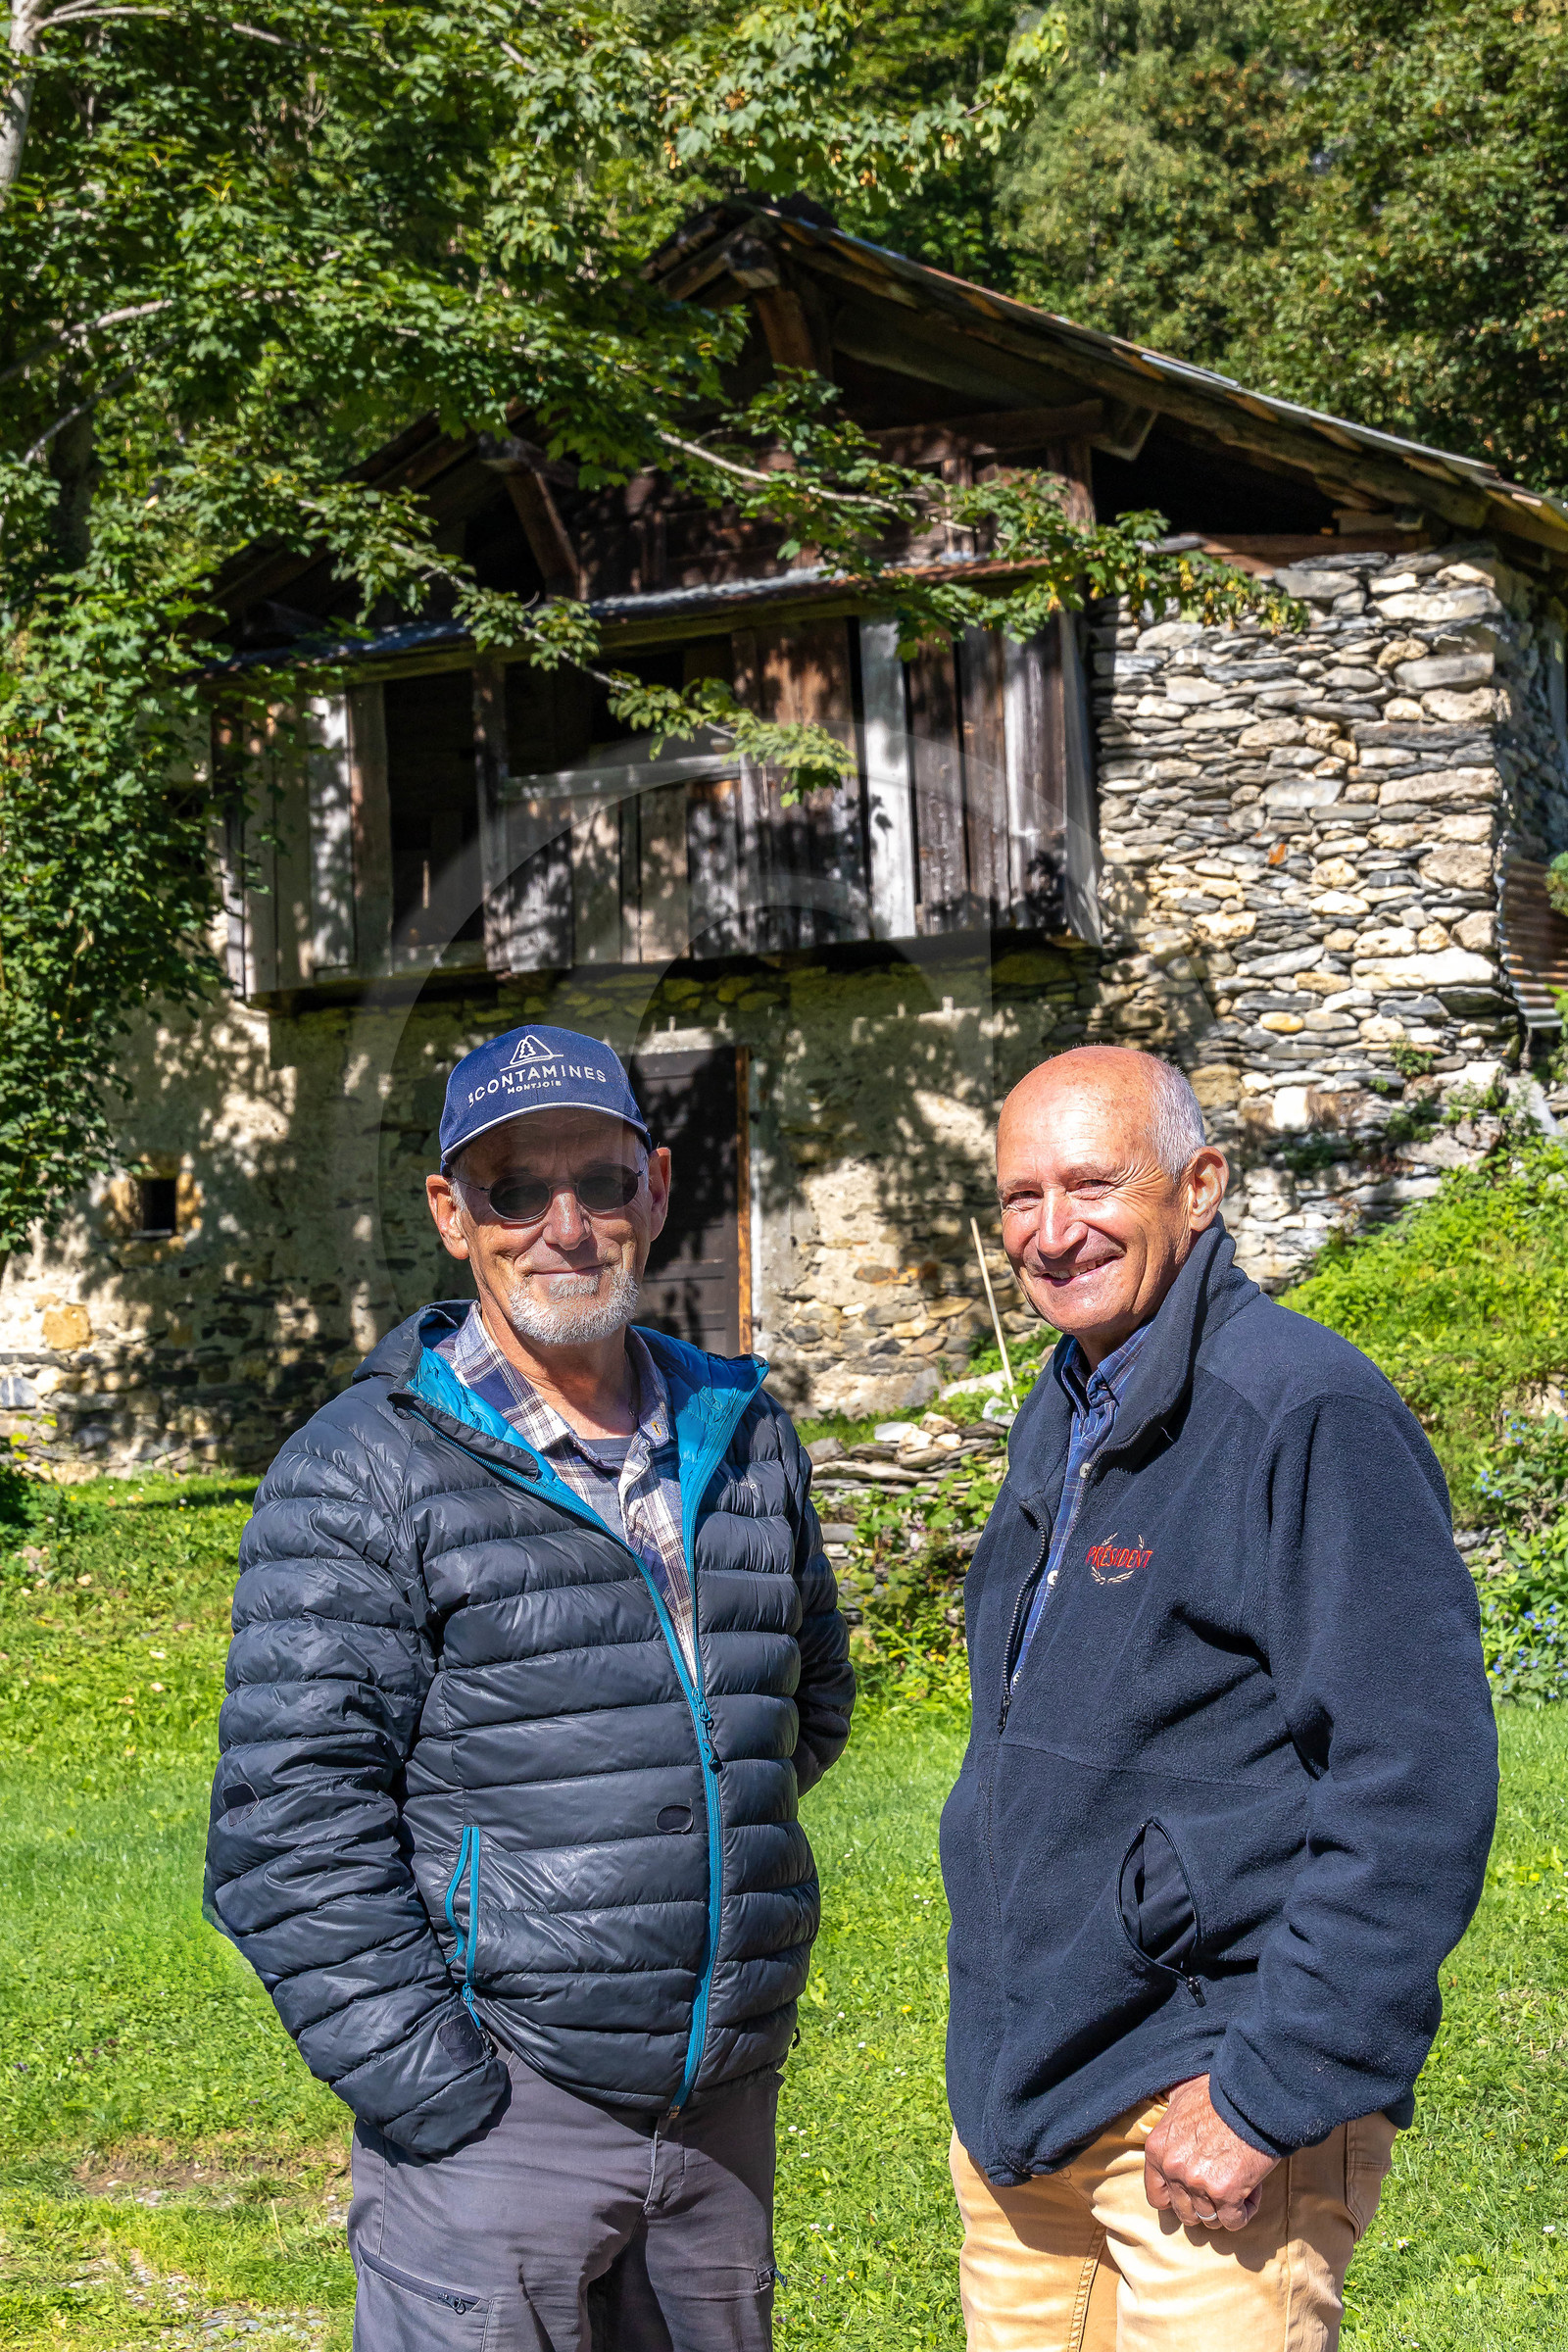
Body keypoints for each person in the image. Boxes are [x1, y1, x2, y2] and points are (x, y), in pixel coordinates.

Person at [205, 1025, 854, 2351]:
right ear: (454, 1215)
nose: (565, 1225)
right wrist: (442, 2095)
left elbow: (800, 1710)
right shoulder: (364, 1471)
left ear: (654, 1191)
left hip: (719, 2113)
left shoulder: (744, 1434)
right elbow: (287, 1835)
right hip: (502, 2126)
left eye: (600, 1183)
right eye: (515, 1191)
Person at [941, 1044, 1496, 2351]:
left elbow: (1415, 1781)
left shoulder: (1298, 1410)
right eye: (1021, 1196)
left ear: (1201, 1186)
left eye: (1092, 1184)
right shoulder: (1067, 1407)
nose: (1052, 1230)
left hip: (1201, 2100)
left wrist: (1270, 2091)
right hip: (1030, 2108)